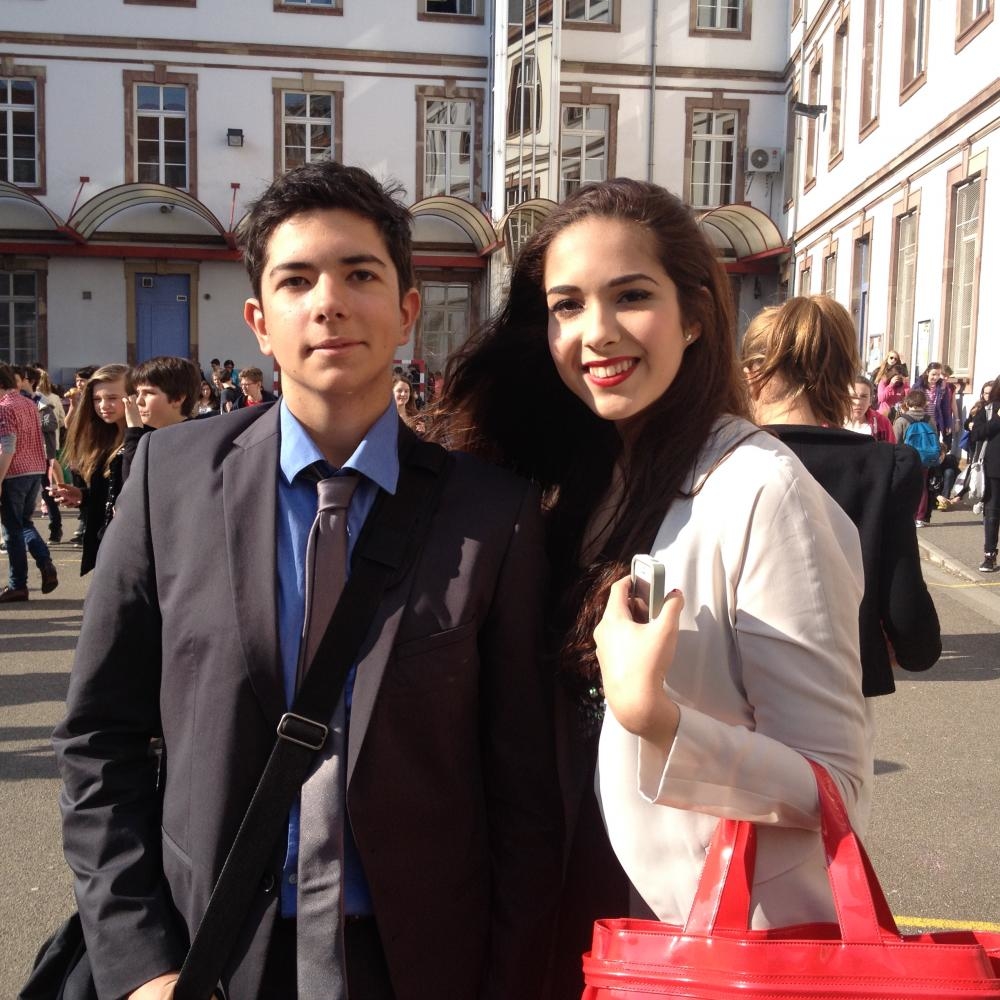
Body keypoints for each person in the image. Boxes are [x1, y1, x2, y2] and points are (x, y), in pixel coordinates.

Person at [53, 160, 561, 1000]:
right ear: (259, 321)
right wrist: (139, 960)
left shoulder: (491, 514)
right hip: (212, 956)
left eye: (360, 274)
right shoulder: (169, 481)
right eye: (296, 280)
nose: (329, 302)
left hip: (416, 961)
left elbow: (523, 789)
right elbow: (99, 739)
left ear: (407, 312)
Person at [434, 179, 871, 997]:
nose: (596, 332)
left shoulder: (762, 492)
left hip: (701, 946)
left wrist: (657, 720)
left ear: (695, 314)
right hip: (568, 923)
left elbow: (834, 787)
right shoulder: (585, 479)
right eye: (567, 306)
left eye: (631, 296)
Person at [741, 295, 940, 696]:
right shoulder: (884, 467)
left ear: (752, 373)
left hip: (723, 694)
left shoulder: (715, 459)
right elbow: (911, 627)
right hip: (836, 691)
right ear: (841, 375)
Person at [49, 363, 132, 575]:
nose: (103, 405)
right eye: (97, 399)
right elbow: (111, 492)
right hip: (105, 544)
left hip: (130, 549)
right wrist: (83, 496)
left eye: (112, 398)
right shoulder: (103, 437)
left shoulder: (142, 438)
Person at [0, 362, 59, 601]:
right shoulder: (27, 403)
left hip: (13, 473)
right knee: (24, 523)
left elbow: (8, 446)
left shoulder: (4, 407)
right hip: (34, 470)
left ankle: (18, 585)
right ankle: (45, 562)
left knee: (12, 531)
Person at [121, 355, 203, 481]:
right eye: (138, 393)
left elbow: (139, 479)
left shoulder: (193, 441)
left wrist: (134, 430)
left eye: (149, 393)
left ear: (178, 399)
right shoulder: (152, 435)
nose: (138, 401)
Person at [893, 387, 939, 526]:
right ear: (924, 404)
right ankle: (920, 516)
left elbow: (896, 441)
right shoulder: (929, 420)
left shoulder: (902, 420)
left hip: (907, 458)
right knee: (923, 487)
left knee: (905, 486)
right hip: (926, 458)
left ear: (907, 403)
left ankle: (908, 515)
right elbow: (935, 438)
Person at [968, 378, 1000, 572]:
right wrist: (997, 419)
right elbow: (976, 434)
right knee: (992, 513)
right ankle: (989, 555)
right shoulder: (988, 410)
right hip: (993, 469)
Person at [846, 375, 896, 442]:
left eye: (864, 396)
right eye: (853, 396)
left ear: (870, 400)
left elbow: (891, 447)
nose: (858, 402)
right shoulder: (834, 423)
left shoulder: (883, 423)